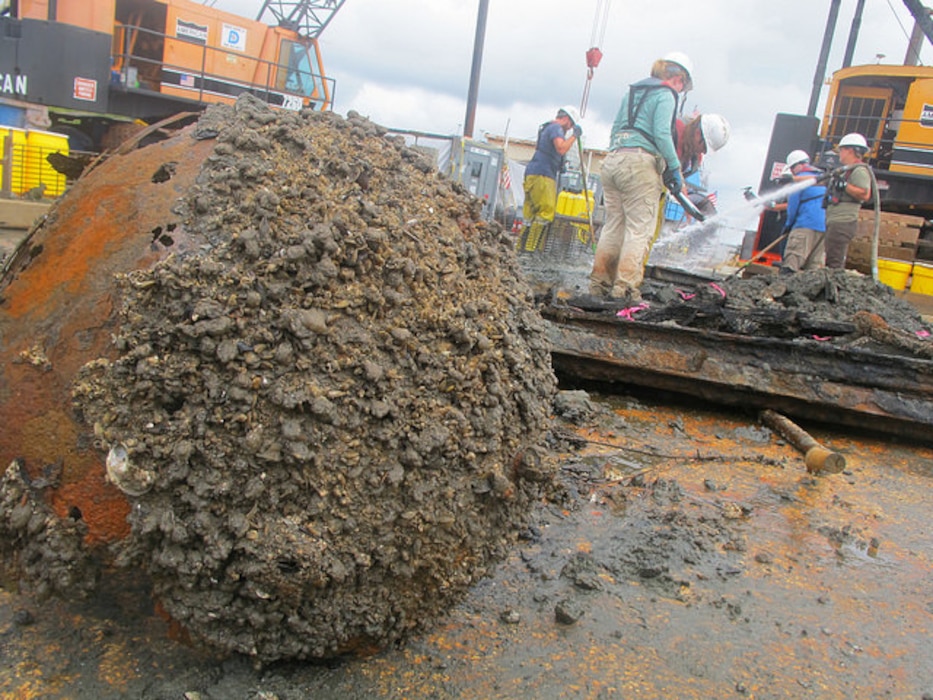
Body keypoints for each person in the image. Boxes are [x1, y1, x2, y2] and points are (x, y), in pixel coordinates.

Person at [587, 52, 693, 301]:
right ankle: (624, 288)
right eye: (683, 86)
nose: (680, 90)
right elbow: (662, 134)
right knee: (639, 229)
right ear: (678, 78)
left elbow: (615, 129)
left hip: (613, 159)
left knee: (614, 224)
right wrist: (674, 169)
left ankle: (599, 283)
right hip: (640, 164)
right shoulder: (666, 94)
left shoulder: (632, 92)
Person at [519, 105, 582, 251]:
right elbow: (561, 148)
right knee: (545, 212)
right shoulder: (556, 128)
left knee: (530, 214)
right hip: (543, 175)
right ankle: (530, 249)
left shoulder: (547, 128)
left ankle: (520, 250)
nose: (568, 130)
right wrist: (575, 136)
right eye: (570, 126)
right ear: (566, 119)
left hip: (533, 173)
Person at [824, 132, 872, 269]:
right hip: (836, 220)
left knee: (834, 262)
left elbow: (864, 194)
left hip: (843, 221)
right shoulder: (846, 171)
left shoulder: (859, 170)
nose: (839, 153)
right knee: (831, 259)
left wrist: (845, 186)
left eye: (841, 150)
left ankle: (833, 288)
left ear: (850, 150)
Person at [780, 150, 827, 273]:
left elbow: (792, 207)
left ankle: (783, 289)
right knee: (813, 269)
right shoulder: (824, 179)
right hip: (824, 228)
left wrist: (788, 225)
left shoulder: (799, 180)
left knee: (792, 262)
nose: (792, 172)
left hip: (805, 225)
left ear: (798, 165)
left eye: (792, 169)